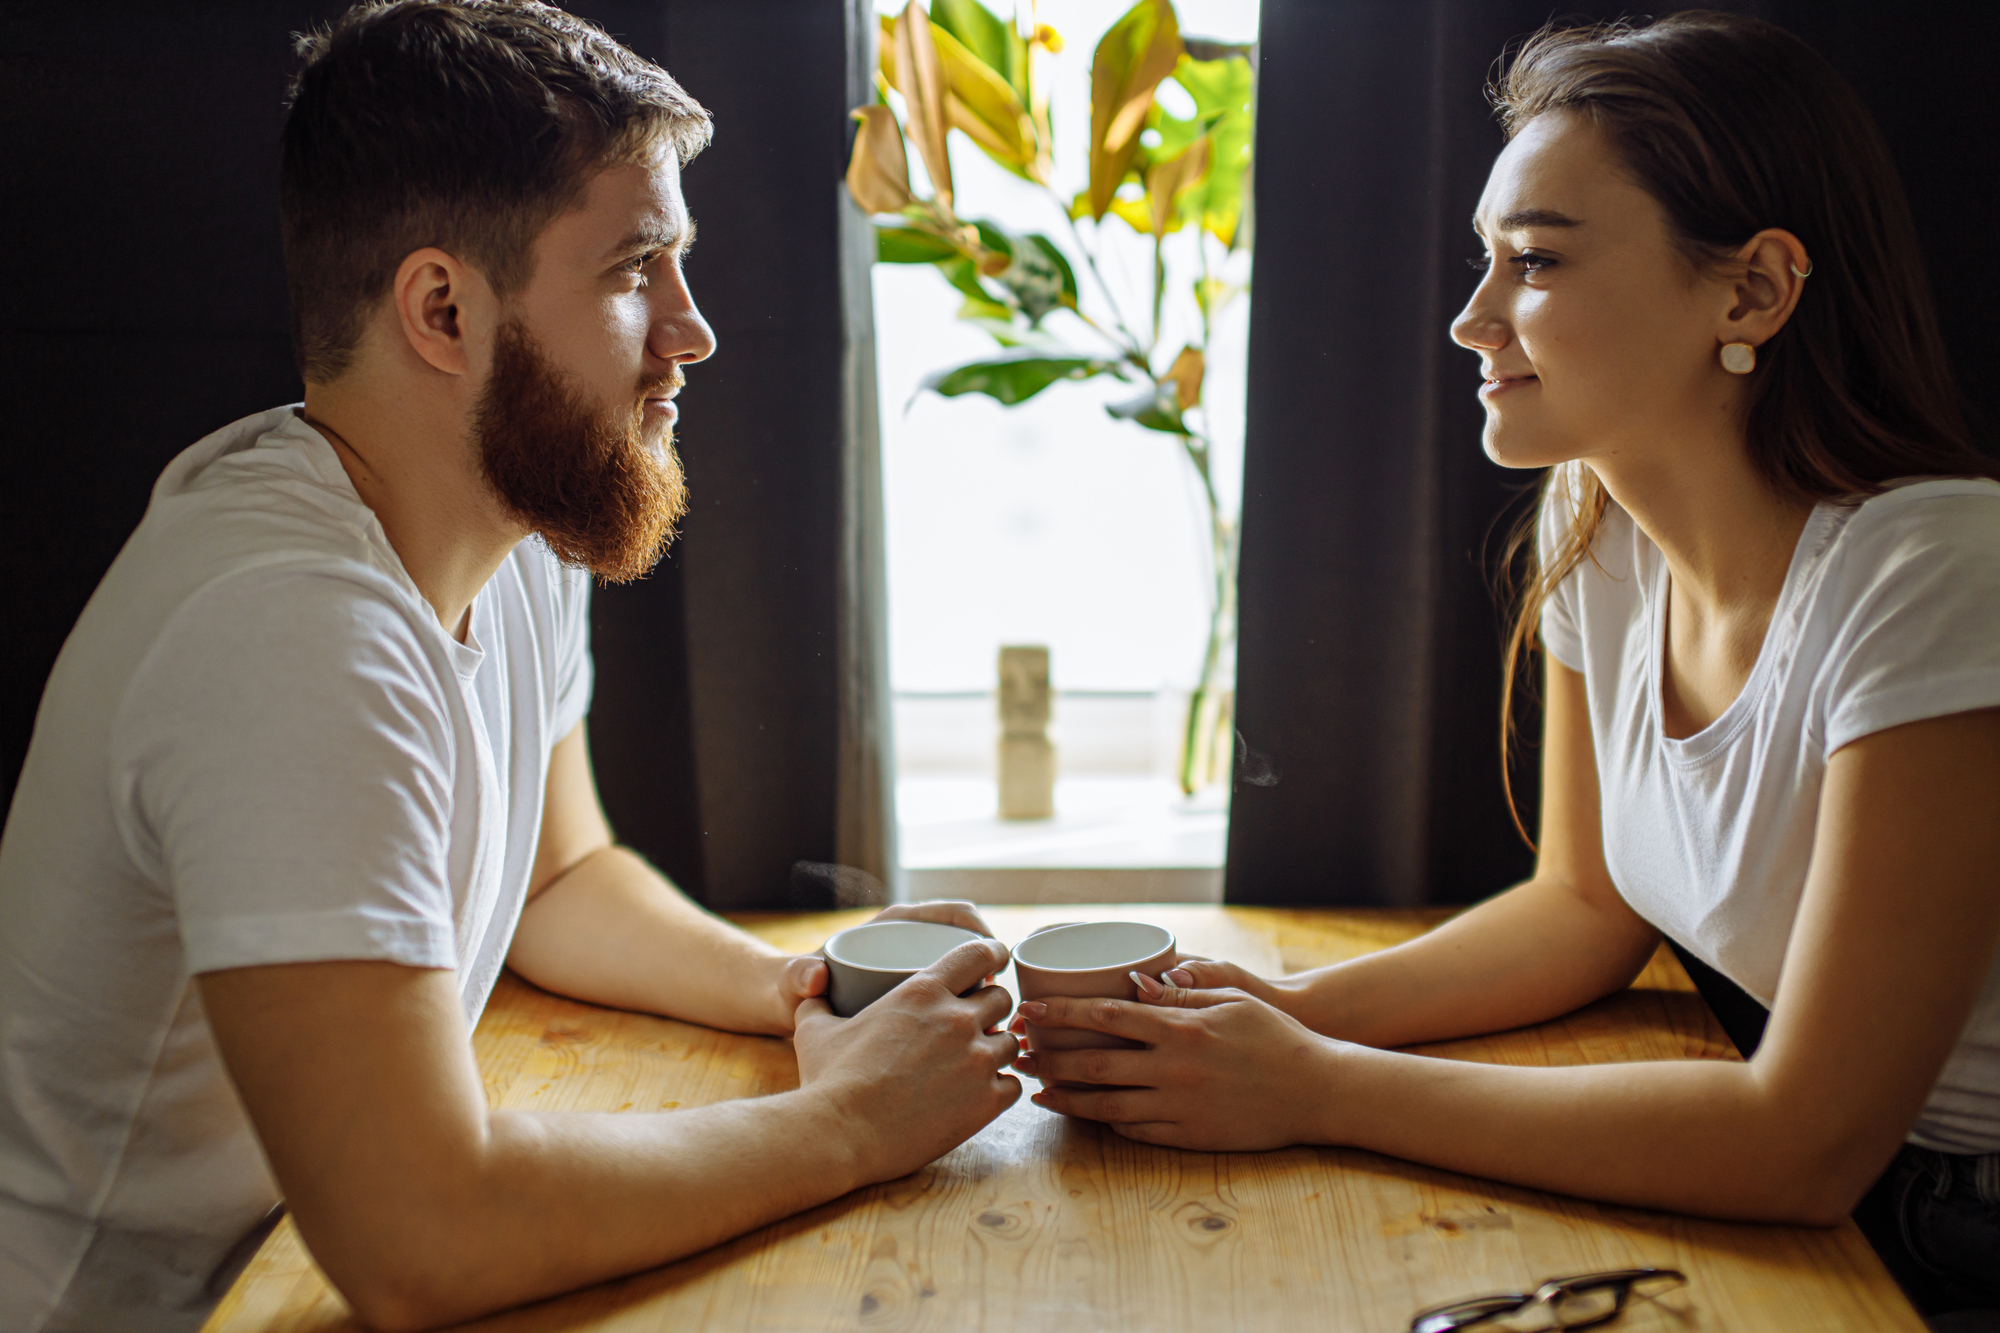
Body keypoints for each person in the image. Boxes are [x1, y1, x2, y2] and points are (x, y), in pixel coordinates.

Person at [0, 4, 1021, 1330]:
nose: (692, 329)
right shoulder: (291, 631)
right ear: (442, 308)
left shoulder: (508, 520)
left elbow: (557, 878)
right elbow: (421, 1232)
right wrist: (846, 1123)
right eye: (632, 270)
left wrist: (806, 989)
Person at [1010, 11, 2000, 1322]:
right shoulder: (1598, 528)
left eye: (1534, 260)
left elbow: (1806, 1140)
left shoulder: (1938, 572)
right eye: (1486, 258)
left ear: (1751, 290)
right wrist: (1290, 1006)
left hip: (1951, 1226)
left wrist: (1316, 1084)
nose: (1474, 320)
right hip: (1807, 1176)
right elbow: (1583, 908)